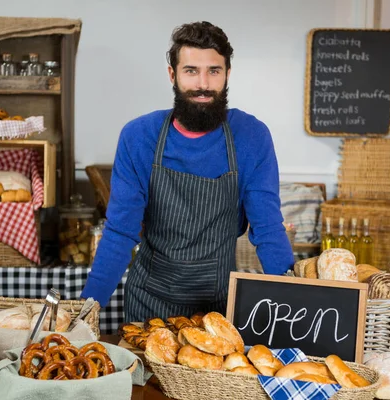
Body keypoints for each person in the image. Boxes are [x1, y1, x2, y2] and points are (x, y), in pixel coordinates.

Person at [80, 21, 294, 323]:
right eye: (191, 70)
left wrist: (299, 305)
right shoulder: (140, 136)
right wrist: (84, 311)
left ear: (228, 75)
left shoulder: (251, 136)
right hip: (148, 306)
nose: (203, 84)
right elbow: (120, 232)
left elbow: (269, 229)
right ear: (173, 74)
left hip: (217, 311)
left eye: (214, 71)